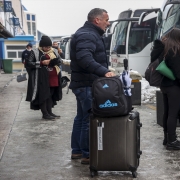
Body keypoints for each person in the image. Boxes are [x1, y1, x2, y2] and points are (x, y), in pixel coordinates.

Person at [69, 8, 114, 164]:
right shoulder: (88, 35)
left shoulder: (87, 33)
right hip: (87, 84)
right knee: (89, 119)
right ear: (97, 20)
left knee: (81, 118)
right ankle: (87, 154)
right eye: (106, 20)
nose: (108, 23)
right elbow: (84, 57)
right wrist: (104, 72)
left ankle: (77, 151)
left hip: (82, 83)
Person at [150, 28, 180, 150]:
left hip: (164, 85)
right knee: (172, 114)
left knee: (167, 112)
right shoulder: (174, 50)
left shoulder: (163, 48)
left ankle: (167, 138)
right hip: (173, 85)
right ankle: (172, 141)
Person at [25, 36, 63, 120]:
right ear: (42, 46)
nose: (48, 48)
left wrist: (55, 62)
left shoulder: (54, 51)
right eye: (46, 47)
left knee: (50, 95)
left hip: (53, 77)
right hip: (41, 78)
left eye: (49, 46)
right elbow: (28, 63)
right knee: (43, 95)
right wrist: (41, 63)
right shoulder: (35, 52)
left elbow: (60, 61)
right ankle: (45, 113)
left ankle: (49, 112)